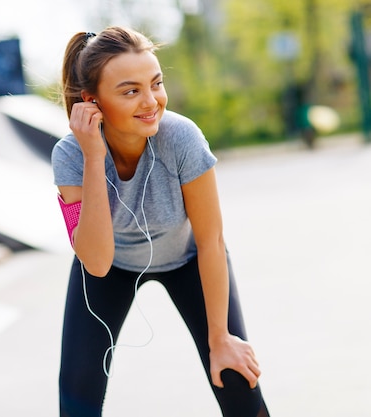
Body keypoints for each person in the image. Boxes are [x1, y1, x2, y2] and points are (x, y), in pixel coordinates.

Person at [51, 27, 270, 416]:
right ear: (92, 101)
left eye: (156, 83)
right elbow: (97, 263)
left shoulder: (181, 138)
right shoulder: (70, 155)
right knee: (76, 397)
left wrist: (220, 338)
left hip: (189, 260)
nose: (151, 101)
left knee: (234, 373)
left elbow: (211, 240)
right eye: (131, 91)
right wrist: (91, 155)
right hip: (110, 270)